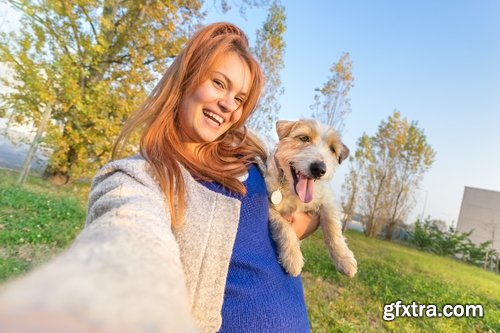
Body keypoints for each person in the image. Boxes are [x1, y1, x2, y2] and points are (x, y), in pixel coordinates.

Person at [0, 22, 319, 333]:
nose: (227, 105)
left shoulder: (254, 153)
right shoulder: (140, 178)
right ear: (187, 77)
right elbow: (128, 240)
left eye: (239, 99)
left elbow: (310, 203)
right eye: (219, 83)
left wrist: (304, 222)